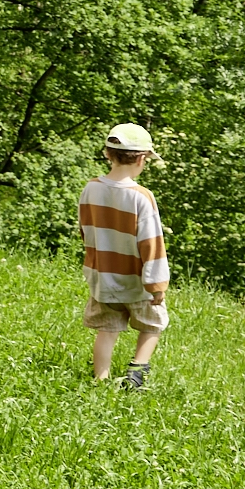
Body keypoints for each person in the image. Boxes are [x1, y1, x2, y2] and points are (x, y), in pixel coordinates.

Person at [82, 123, 169, 390]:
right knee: (152, 325)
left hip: (102, 275)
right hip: (136, 280)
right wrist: (156, 285)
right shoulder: (142, 197)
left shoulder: (91, 188)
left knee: (107, 329)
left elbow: (86, 231)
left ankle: (101, 380)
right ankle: (136, 374)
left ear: (108, 154)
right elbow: (151, 243)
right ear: (142, 159)